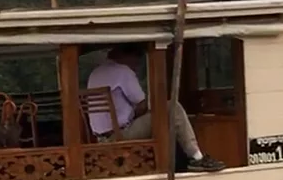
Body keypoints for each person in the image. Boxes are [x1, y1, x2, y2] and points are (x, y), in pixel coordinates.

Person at [85, 44, 223, 172]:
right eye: (136, 62)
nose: (136, 66)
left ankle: (175, 162)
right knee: (172, 108)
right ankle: (196, 158)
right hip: (120, 135)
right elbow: (142, 105)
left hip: (101, 137)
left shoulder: (95, 72)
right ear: (128, 56)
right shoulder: (123, 71)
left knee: (163, 118)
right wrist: (137, 112)